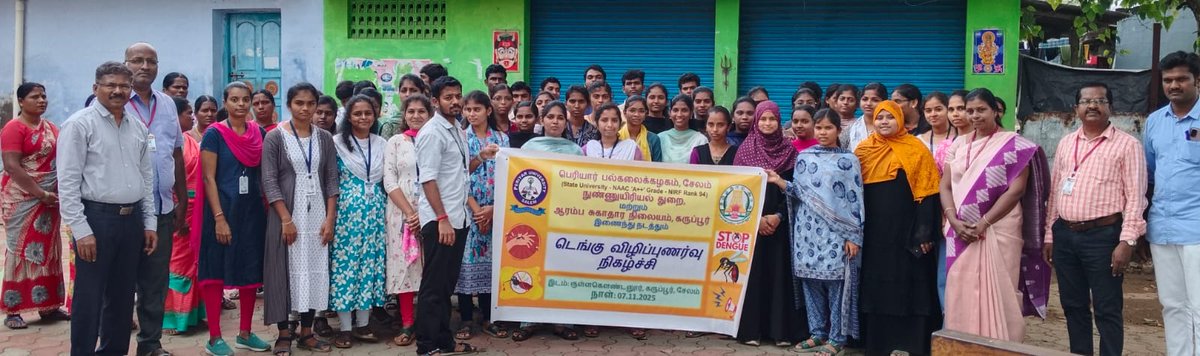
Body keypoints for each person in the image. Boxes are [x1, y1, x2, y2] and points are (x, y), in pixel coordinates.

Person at [1041, 82, 1147, 356]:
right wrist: (1050, 234)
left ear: (1110, 107)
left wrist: (1128, 241)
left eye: (1100, 101)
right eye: (1086, 101)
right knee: (1073, 306)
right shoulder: (1066, 143)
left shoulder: (1128, 146)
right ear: (1076, 108)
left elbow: (1136, 197)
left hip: (1104, 237)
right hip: (1065, 235)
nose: (1092, 105)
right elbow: (1055, 193)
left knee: (1107, 308)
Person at [61, 62, 156, 355]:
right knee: (89, 298)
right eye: (110, 85)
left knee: (123, 296)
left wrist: (149, 223)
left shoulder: (137, 126)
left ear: (131, 89)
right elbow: (67, 182)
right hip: (96, 221)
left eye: (124, 86)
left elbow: (146, 177)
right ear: (95, 88)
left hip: (131, 221)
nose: (118, 91)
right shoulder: (79, 124)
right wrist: (81, 230)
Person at [941, 88, 1051, 342]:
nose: (975, 116)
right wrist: (954, 221)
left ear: (995, 111)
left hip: (999, 227)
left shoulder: (1014, 145)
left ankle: (1001, 344)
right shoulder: (958, 144)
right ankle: (963, 344)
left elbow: (1016, 190)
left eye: (981, 110)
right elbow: (944, 186)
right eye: (970, 111)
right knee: (960, 289)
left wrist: (983, 223)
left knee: (1000, 290)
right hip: (960, 229)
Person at [767, 108, 862, 355]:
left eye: (828, 127)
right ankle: (817, 332)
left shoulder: (848, 160)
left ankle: (837, 337)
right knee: (810, 282)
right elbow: (798, 192)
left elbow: (855, 199)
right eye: (819, 127)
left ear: (838, 130)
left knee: (835, 284)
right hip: (807, 231)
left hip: (836, 232)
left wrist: (853, 235)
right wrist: (779, 181)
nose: (822, 132)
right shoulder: (804, 158)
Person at [854, 100, 942, 355]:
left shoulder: (916, 149)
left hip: (907, 232)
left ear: (900, 120)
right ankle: (877, 344)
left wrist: (924, 231)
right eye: (879, 118)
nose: (883, 122)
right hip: (874, 234)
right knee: (876, 283)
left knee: (910, 283)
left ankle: (913, 343)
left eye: (889, 117)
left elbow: (928, 193)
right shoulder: (863, 151)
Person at [261, 83, 339, 354]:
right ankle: (284, 333)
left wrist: (330, 220)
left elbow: (331, 179)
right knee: (283, 271)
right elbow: (269, 181)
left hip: (317, 212)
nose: (305, 109)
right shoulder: (275, 137)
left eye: (310, 103)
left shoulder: (324, 138)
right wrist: (285, 219)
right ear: (289, 105)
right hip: (286, 214)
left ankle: (307, 332)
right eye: (299, 103)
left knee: (315, 271)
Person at [414, 76, 487, 355]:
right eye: (448, 97)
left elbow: (458, 170)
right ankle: (427, 346)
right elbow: (428, 180)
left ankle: (444, 340)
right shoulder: (432, 132)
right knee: (433, 287)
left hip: (459, 218)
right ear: (435, 101)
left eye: (458, 95)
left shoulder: (456, 127)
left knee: (446, 286)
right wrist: (442, 218)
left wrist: (481, 157)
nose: (455, 101)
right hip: (440, 221)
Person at [197, 82, 270, 355]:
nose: (241, 104)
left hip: (251, 212)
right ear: (225, 102)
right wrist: (219, 218)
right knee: (215, 272)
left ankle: (245, 333)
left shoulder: (258, 132)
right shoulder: (214, 134)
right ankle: (215, 337)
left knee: (250, 272)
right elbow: (208, 178)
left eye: (245, 99)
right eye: (234, 100)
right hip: (222, 211)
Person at [125, 42, 187, 356]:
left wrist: (182, 203)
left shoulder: (167, 105)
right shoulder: (114, 102)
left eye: (151, 61)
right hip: (124, 211)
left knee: (154, 283)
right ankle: (115, 343)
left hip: (162, 208)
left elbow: (176, 152)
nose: (145, 66)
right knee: (120, 283)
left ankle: (150, 345)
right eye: (138, 60)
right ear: (125, 63)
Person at [731, 100, 806, 347]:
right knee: (754, 275)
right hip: (753, 223)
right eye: (762, 119)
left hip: (782, 223)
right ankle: (752, 330)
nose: (767, 123)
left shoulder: (791, 152)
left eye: (772, 119)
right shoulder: (744, 150)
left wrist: (778, 216)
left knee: (781, 274)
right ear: (756, 121)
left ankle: (781, 331)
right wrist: (757, 219)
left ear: (778, 121)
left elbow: (797, 191)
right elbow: (738, 191)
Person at [1143, 50, 1200, 356]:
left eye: (1181, 79)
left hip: (1197, 229)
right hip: (1162, 227)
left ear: (1197, 81)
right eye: (1168, 80)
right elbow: (1149, 174)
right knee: (1172, 305)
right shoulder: (1154, 121)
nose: (1174, 85)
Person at [511, 101, 582, 342]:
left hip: (565, 218)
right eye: (550, 117)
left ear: (566, 121)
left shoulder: (575, 151)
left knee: (563, 267)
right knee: (532, 264)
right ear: (542, 120)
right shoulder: (530, 147)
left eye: (560, 117)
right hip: (534, 217)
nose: (554, 121)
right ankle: (527, 320)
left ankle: (563, 321)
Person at [2, 81, 69, 329]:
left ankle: (49, 306)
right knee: (20, 251)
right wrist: (39, 192)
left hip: (49, 199)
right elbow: (12, 166)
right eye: (34, 97)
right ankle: (13, 309)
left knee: (49, 249)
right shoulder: (13, 128)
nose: (41, 100)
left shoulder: (51, 127)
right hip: (23, 199)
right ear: (20, 101)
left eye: (43, 96)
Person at [327, 94, 388, 348]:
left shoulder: (383, 143)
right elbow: (329, 180)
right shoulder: (336, 143)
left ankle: (363, 325)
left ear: (375, 116)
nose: (363, 117)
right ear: (348, 117)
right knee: (346, 268)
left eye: (368, 113)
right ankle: (344, 328)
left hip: (375, 215)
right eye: (357, 113)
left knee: (370, 267)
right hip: (346, 216)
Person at [452, 91, 510, 341]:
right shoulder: (461, 138)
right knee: (466, 266)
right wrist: (478, 212)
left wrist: (493, 210)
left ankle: (488, 317)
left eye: (477, 109)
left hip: (496, 211)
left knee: (491, 266)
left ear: (489, 110)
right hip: (468, 211)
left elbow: (510, 176)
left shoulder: (503, 139)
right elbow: (458, 175)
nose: (472, 113)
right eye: (468, 109)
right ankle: (465, 319)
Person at [163, 95, 216, 336]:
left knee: (197, 264)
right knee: (178, 263)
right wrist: (179, 211)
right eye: (190, 113)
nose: (194, 117)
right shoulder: (176, 143)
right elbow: (171, 180)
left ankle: (194, 315)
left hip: (202, 208)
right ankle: (173, 319)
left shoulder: (202, 140)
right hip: (181, 208)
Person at [384, 94, 434, 347]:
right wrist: (409, 213)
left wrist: (424, 214)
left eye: (421, 111)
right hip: (400, 212)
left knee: (430, 267)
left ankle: (428, 321)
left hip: (432, 209)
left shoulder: (435, 139)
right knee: (404, 265)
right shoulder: (395, 142)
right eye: (411, 111)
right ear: (404, 115)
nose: (416, 116)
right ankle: (407, 322)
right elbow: (389, 180)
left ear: (430, 114)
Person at [657, 95, 708, 163]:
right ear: (670, 113)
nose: (679, 114)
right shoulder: (660, 138)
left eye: (684, 110)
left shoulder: (700, 140)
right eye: (675, 110)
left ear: (691, 113)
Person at [379, 74, 428, 140]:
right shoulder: (390, 126)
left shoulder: (431, 123)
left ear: (422, 93)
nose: (408, 94)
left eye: (413, 90)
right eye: (404, 91)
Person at [842, 83, 885, 151]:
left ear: (884, 102)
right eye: (865, 99)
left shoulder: (889, 128)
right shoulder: (851, 129)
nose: (868, 103)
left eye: (875, 100)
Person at [618, 96, 662, 162]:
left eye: (641, 111)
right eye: (632, 110)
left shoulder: (653, 139)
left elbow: (658, 167)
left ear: (646, 114)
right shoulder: (617, 137)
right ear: (624, 113)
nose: (636, 114)